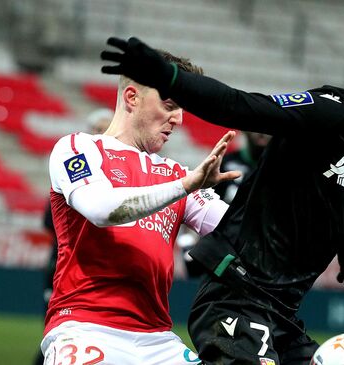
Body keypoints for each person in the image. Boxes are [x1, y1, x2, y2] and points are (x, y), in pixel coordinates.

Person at [100, 30, 344, 364]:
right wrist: (167, 77)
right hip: (235, 296)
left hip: (283, 314)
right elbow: (239, 106)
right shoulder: (330, 112)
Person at [41, 51, 241, 365]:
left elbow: (240, 230)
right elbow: (99, 209)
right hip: (86, 328)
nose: (179, 119)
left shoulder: (176, 173)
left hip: (159, 340)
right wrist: (186, 186)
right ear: (132, 97)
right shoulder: (78, 148)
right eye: (170, 106)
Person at [33, 108, 113, 365]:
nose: (102, 133)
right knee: (63, 336)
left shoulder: (118, 170)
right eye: (98, 128)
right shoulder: (72, 169)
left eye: (106, 127)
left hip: (101, 271)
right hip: (65, 266)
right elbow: (49, 220)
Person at [178, 131, 271, 277]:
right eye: (257, 127)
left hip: (261, 257)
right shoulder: (225, 164)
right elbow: (196, 200)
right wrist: (187, 245)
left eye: (268, 128)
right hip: (218, 253)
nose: (262, 133)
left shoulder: (283, 172)